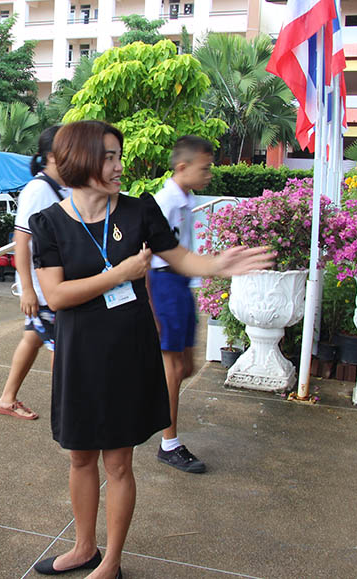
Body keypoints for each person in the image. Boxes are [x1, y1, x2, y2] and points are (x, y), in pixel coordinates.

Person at [29, 121, 271, 578]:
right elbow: (56, 296)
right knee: (80, 456)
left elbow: (181, 258)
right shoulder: (48, 223)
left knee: (118, 462)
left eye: (118, 156)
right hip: (79, 356)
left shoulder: (139, 211)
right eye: (109, 157)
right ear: (80, 160)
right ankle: (83, 548)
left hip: (128, 351)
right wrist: (120, 274)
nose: (119, 166)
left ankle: (112, 562)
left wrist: (218, 265)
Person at [148, 135, 215, 474]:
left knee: (186, 366)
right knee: (173, 368)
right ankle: (169, 444)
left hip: (180, 284)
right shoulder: (165, 202)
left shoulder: (186, 199)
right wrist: (151, 305)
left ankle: (154, 402)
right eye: (204, 168)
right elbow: (146, 254)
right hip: (164, 284)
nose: (209, 175)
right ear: (183, 166)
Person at [0, 125, 70, 420]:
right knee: (61, 348)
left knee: (33, 338)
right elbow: (22, 240)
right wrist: (27, 289)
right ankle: (65, 413)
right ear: (51, 156)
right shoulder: (38, 190)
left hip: (49, 284)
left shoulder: (62, 186)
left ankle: (7, 399)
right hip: (43, 289)